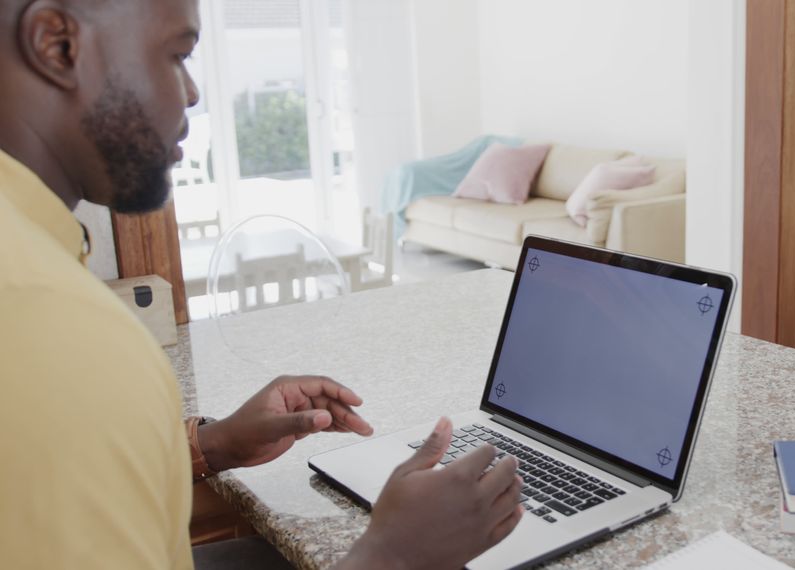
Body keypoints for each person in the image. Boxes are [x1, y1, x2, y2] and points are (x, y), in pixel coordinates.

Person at [0, 0, 523, 568]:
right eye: (177, 54)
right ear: (57, 45)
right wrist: (394, 555)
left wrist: (214, 443)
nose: (193, 92)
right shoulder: (49, 325)